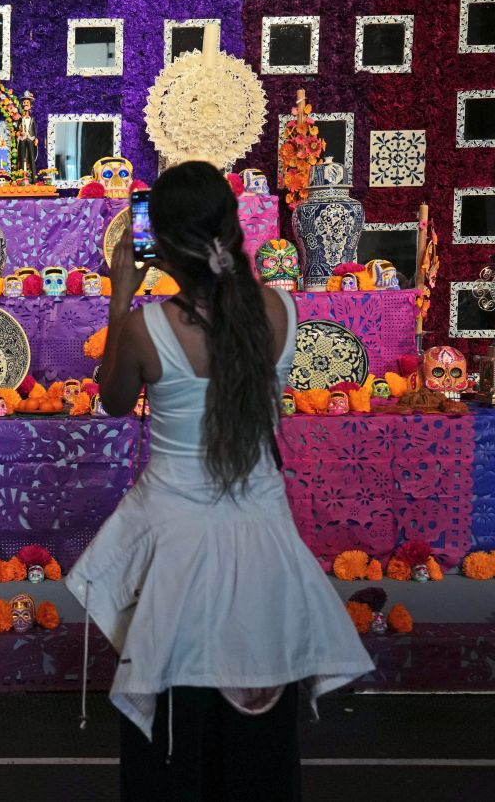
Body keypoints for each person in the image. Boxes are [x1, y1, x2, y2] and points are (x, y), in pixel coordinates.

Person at [64, 161, 372, 800]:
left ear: (166, 245)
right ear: (231, 230)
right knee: (261, 732)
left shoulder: (150, 328)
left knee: (175, 740)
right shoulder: (281, 310)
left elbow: (115, 401)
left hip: (176, 542)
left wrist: (121, 298)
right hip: (263, 536)